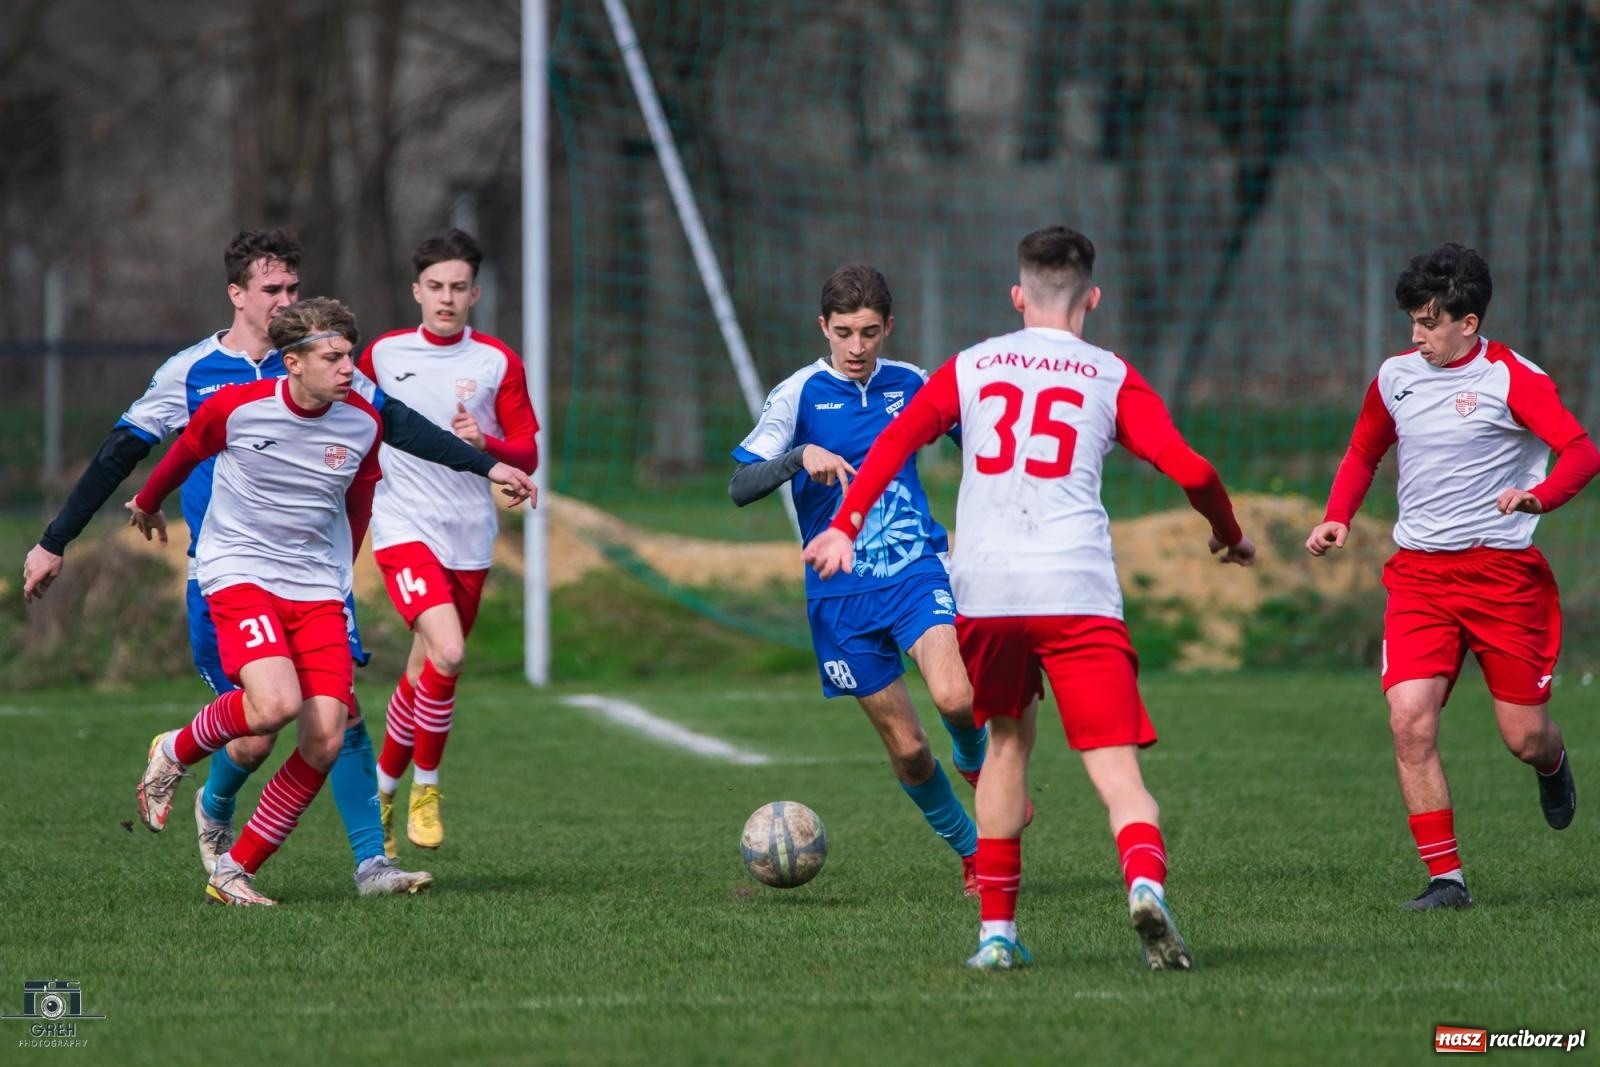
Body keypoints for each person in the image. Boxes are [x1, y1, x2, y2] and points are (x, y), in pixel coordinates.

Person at [20, 229, 534, 896]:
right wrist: (56, 540)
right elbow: (124, 454)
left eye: (294, 287)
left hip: (315, 577)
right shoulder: (199, 376)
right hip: (225, 576)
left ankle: (368, 861)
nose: (285, 298)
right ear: (238, 295)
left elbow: (404, 431)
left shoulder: (339, 380)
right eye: (272, 289)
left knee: (336, 718)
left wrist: (492, 463)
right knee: (260, 727)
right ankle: (212, 802)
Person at [803, 228, 1255, 971]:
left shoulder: (970, 365)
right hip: (1075, 590)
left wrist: (846, 524)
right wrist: (1228, 533)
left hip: (986, 591)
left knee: (1007, 747)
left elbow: (892, 445)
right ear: (1092, 298)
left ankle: (997, 936)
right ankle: (1143, 881)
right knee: (1117, 773)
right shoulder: (1110, 374)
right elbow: (1194, 469)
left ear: (1018, 297)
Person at [1305, 243, 1596, 911]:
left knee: (1523, 734)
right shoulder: (1395, 376)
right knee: (1409, 720)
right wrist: (1337, 516)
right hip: (1419, 580)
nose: (1417, 335)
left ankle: (1551, 762)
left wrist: (1539, 496)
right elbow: (1364, 448)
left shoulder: (1514, 378)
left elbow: (1581, 451)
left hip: (1502, 578)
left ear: (1469, 321)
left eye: (1430, 322)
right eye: (1413, 320)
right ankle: (1447, 880)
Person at [130, 298, 450, 904]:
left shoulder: (362, 422)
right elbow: (184, 452)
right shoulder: (236, 407)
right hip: (240, 570)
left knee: (327, 736)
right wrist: (147, 501)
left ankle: (233, 871)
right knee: (272, 706)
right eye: (333, 357)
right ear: (293, 362)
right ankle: (174, 750)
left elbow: (357, 504)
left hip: (315, 587)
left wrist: (339, 579)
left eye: (350, 355)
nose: (348, 368)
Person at [731, 264, 988, 896]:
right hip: (839, 594)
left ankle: (984, 771)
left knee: (956, 697)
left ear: (888, 328)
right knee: (908, 750)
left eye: (869, 332)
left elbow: (985, 446)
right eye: (843, 332)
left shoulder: (913, 385)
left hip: (915, 569)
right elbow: (739, 485)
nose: (855, 347)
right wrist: (798, 457)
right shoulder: (798, 394)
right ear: (823, 327)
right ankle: (972, 852)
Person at [359, 228, 539, 855]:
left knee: (427, 668)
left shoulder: (496, 361)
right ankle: (426, 788)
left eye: (458, 287)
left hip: (471, 535)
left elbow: (528, 451)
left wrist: (488, 444)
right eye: (435, 286)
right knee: (452, 653)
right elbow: (344, 414)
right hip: (403, 525)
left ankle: (380, 790)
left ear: (475, 294)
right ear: (416, 291)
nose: (446, 297)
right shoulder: (381, 355)